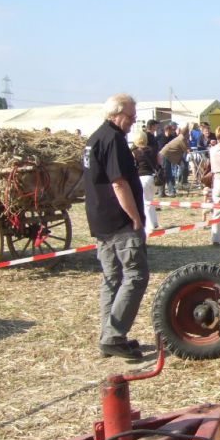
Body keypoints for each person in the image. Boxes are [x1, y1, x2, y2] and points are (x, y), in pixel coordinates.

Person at [83, 93, 149, 360]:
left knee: (112, 279)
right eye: (131, 116)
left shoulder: (95, 138)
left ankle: (109, 335)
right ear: (117, 113)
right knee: (136, 275)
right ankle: (113, 336)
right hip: (119, 221)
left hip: (100, 220)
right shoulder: (113, 139)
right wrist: (135, 217)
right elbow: (119, 183)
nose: (133, 121)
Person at [132, 130, 160, 234]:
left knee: (144, 203)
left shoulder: (134, 152)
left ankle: (148, 227)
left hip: (142, 178)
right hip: (152, 177)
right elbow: (159, 160)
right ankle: (154, 222)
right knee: (151, 200)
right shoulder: (153, 150)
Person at [156, 123, 176, 197]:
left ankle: (167, 191)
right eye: (170, 130)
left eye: (172, 131)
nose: (171, 132)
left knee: (167, 173)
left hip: (168, 156)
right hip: (161, 156)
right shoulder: (159, 136)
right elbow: (154, 143)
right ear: (166, 130)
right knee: (163, 173)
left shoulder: (172, 137)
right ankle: (163, 192)